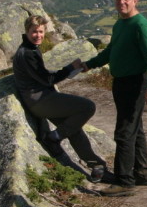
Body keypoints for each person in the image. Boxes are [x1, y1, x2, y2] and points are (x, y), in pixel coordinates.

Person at [83, 0, 147, 196]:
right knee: (135, 130)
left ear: (135, 1)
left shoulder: (141, 25)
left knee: (124, 132)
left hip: (135, 83)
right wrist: (89, 64)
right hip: (121, 83)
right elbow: (111, 51)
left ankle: (124, 181)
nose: (122, 2)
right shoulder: (120, 24)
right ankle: (143, 174)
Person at [12, 14, 107, 183]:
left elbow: (42, 76)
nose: (38, 35)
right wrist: (70, 68)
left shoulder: (31, 48)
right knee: (88, 107)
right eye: (34, 31)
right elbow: (48, 80)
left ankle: (98, 168)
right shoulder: (27, 53)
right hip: (40, 101)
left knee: (74, 130)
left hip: (43, 99)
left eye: (41, 32)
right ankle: (53, 138)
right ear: (27, 31)